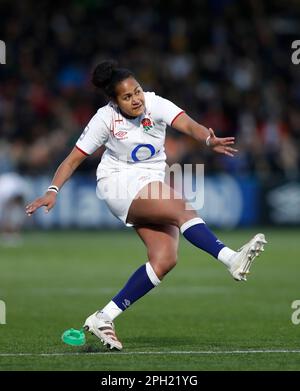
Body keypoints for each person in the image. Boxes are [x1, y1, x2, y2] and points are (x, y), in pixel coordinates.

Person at [26, 60, 267, 351]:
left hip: (150, 180)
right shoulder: (104, 119)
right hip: (118, 183)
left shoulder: (154, 103)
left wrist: (207, 139)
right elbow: (73, 158)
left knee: (165, 259)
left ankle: (103, 317)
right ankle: (231, 258)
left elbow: (187, 123)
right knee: (181, 208)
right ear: (115, 101)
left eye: (137, 91)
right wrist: (52, 190)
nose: (136, 99)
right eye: (127, 97)